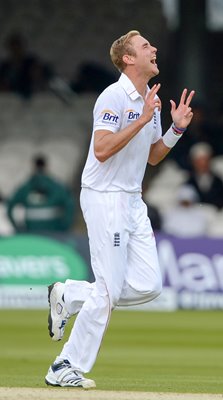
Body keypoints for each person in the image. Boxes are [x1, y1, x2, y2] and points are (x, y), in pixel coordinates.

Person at [45, 30, 195, 389]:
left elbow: (153, 156)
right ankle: (64, 365)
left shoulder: (150, 99)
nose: (154, 48)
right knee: (109, 291)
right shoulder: (113, 96)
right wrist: (142, 119)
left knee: (149, 285)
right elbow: (101, 149)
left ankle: (70, 294)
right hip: (105, 197)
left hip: (131, 199)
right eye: (145, 46)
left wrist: (175, 128)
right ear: (128, 58)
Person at [7, 155, 75, 232]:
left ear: (33, 166)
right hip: (54, 233)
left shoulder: (26, 187)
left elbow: (10, 206)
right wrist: (64, 227)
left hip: (31, 233)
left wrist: (18, 228)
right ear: (46, 166)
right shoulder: (56, 186)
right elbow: (70, 204)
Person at [0, 32, 53, 98]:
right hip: (12, 96)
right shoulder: (5, 66)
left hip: (32, 95)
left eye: (18, 46)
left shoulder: (31, 62)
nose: (16, 50)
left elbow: (39, 78)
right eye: (13, 47)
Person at [186, 142, 223, 208]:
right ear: (194, 162)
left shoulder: (218, 181)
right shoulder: (189, 182)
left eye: (205, 160)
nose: (203, 164)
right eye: (199, 161)